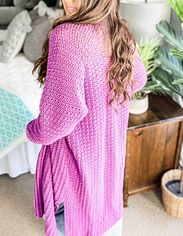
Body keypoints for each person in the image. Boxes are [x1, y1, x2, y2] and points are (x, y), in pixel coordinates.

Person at [26, 0, 147, 235]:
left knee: (73, 222)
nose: (68, 2)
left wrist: (32, 130)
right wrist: (104, 95)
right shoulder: (118, 29)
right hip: (107, 158)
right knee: (100, 219)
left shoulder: (67, 36)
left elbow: (55, 122)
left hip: (72, 167)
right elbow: (139, 78)